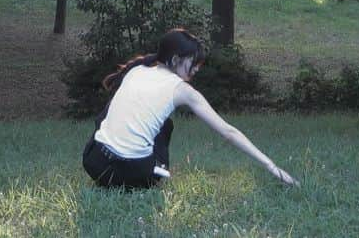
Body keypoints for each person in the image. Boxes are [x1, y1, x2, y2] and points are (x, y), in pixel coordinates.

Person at [82, 28, 299, 189]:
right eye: (193, 63)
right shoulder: (182, 90)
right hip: (133, 176)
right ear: (175, 59)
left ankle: (124, 170)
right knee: (165, 126)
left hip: (94, 164)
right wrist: (272, 167)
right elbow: (229, 132)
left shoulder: (137, 70)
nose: (196, 69)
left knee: (110, 112)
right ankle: (157, 172)